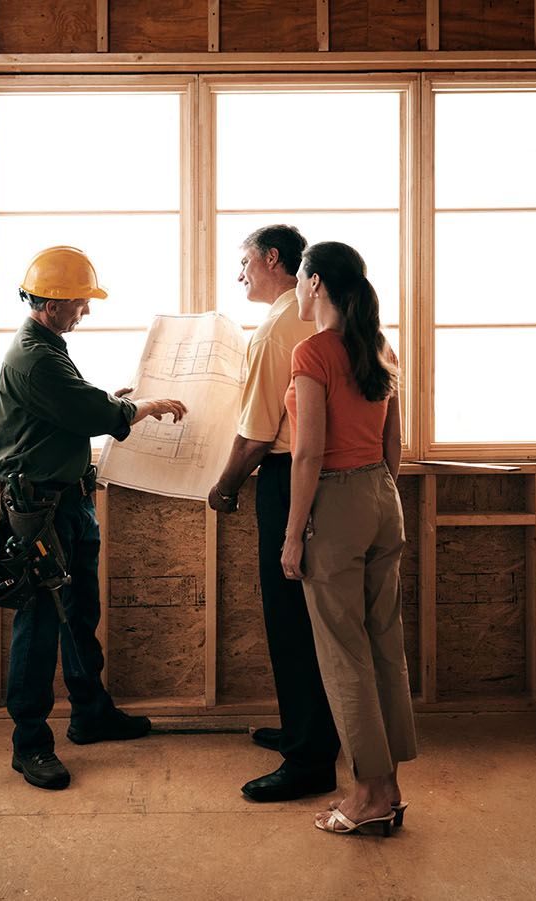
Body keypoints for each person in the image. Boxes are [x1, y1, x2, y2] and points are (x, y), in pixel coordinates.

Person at [0, 245, 188, 791]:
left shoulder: (47, 346)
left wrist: (107, 399)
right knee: (39, 627)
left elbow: (71, 407)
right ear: (52, 303)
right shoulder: (34, 355)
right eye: (81, 301)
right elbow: (91, 414)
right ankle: (29, 744)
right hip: (40, 511)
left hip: (66, 503)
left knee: (79, 615)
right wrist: (139, 407)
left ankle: (90, 713)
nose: (87, 310)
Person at [279, 241, 416, 835]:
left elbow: (307, 452)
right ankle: (388, 785)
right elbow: (393, 446)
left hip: (335, 503)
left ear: (312, 283)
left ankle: (366, 795)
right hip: (383, 500)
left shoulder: (312, 352)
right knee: (384, 644)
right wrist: (380, 497)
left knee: (344, 655)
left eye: (300, 283)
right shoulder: (378, 347)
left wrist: (291, 537)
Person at [208, 225, 341, 802]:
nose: (239, 276)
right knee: (314, 617)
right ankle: (305, 732)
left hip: (289, 478)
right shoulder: (325, 318)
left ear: (272, 259)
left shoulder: (275, 331)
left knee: (289, 616)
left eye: (244, 264)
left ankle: (309, 759)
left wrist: (225, 486)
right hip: (339, 482)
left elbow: (259, 434)